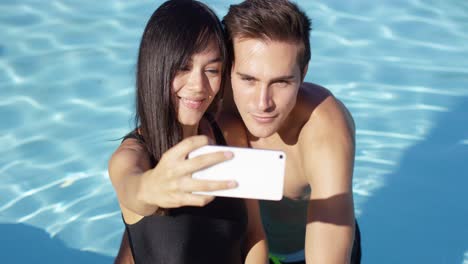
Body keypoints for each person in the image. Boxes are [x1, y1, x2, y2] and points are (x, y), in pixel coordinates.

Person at [116, 0, 361, 263]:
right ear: (226, 69)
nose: (262, 103)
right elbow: (146, 207)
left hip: (299, 254)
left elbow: (331, 226)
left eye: (281, 82)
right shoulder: (207, 104)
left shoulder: (321, 126)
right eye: (248, 79)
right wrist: (145, 193)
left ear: (303, 72)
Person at [108, 1, 268, 263]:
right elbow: (132, 188)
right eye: (183, 67)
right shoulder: (130, 157)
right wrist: (151, 188)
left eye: (212, 70)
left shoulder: (230, 134)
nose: (198, 85)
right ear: (155, 67)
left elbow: (253, 235)